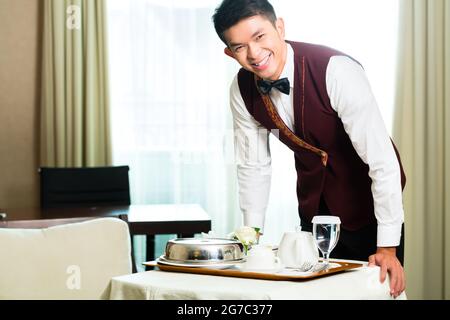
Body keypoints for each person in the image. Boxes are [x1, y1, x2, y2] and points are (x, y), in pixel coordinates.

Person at [212, 0, 406, 298]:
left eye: (260, 36)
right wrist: (253, 242)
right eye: (239, 47)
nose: (254, 53)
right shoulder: (241, 90)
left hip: (369, 214)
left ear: (280, 27)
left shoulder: (337, 70)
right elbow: (253, 165)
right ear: (229, 53)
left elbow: (383, 162)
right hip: (313, 216)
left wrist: (387, 247)